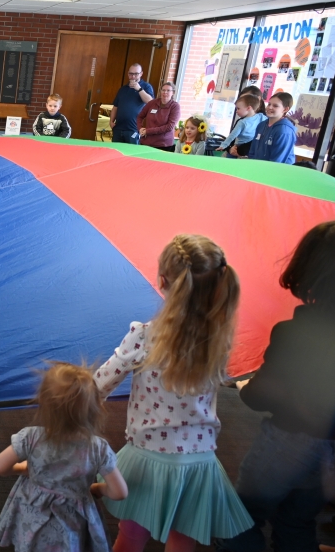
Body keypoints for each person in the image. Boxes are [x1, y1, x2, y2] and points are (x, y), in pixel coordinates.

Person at [94, 234, 254, 551]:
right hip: (199, 461)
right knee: (183, 541)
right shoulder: (219, 337)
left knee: (131, 536)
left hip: (146, 457)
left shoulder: (142, 337)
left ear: (163, 281)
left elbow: (99, 385)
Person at [215, 221, 335, 552]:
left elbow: (263, 395)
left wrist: (246, 385)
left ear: (311, 270)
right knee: (297, 523)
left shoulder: (295, 333)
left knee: (238, 518)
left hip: (287, 444)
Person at [0, 362, 127, 552]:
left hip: (32, 523)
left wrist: (22, 468)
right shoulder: (97, 448)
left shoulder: (30, 437)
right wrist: (98, 488)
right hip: (72, 526)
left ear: (44, 405)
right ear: (94, 409)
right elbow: (120, 492)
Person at [110, 63, 154, 144]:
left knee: (131, 153)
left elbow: (150, 102)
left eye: (136, 74)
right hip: (118, 128)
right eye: (131, 74)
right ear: (128, 74)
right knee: (116, 153)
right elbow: (115, 107)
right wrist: (111, 121)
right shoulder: (123, 89)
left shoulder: (146, 86)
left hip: (133, 129)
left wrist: (139, 89)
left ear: (141, 74)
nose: (133, 76)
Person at [247, 92, 296, 164]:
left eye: (275, 106)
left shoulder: (284, 131)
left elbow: (277, 161)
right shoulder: (261, 125)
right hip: (257, 168)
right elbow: (252, 150)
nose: (270, 107)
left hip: (275, 171)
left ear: (285, 109)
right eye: (269, 104)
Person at [218, 93, 268, 158]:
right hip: (252, 148)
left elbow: (232, 135)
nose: (236, 111)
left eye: (238, 108)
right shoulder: (261, 117)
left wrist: (223, 145)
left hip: (238, 147)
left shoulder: (242, 122)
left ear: (248, 108)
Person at [136, 82, 181, 152]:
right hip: (146, 142)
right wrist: (140, 128)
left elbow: (170, 126)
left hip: (163, 144)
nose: (165, 92)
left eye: (168, 90)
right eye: (163, 90)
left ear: (173, 92)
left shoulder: (175, 107)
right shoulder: (152, 103)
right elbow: (140, 117)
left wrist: (148, 131)